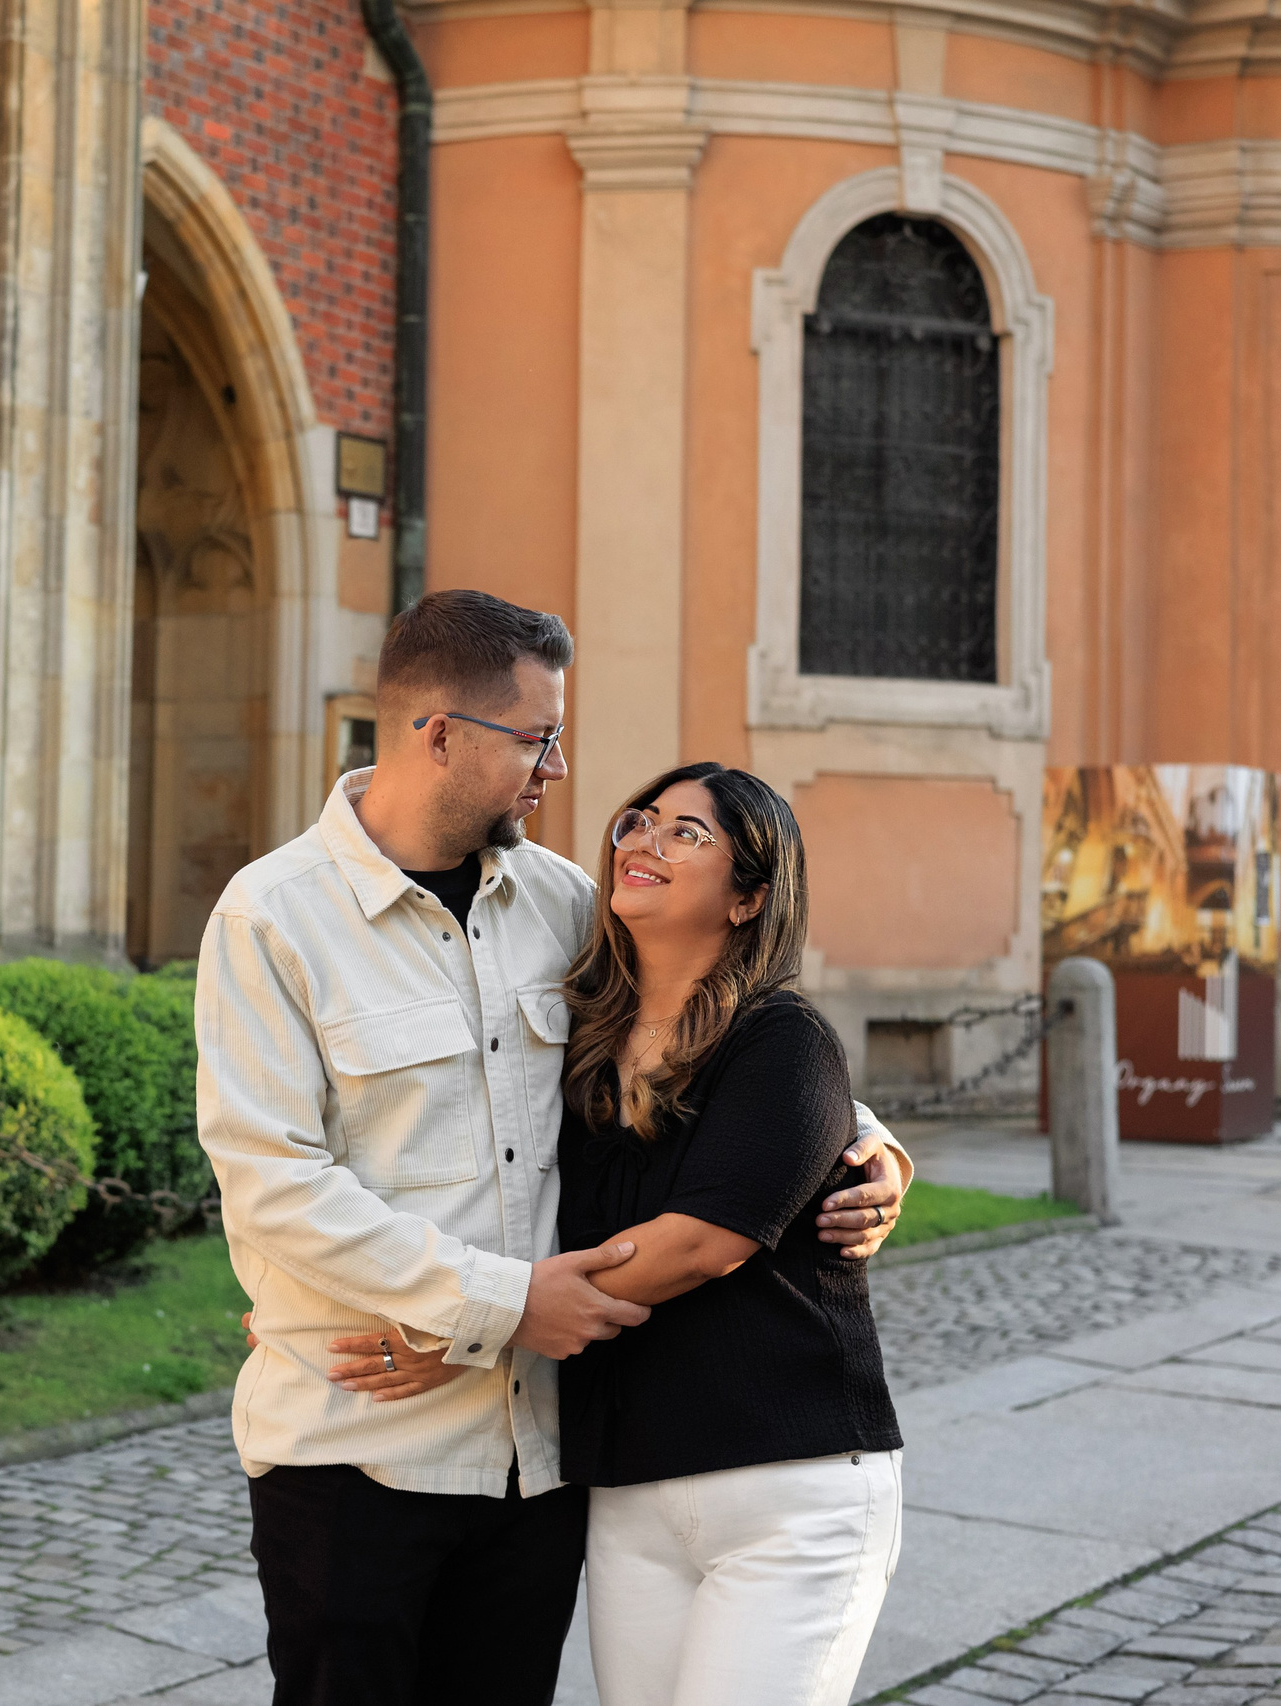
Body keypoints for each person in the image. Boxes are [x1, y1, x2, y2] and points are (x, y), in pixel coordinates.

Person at [193, 589, 913, 1706]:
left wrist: (864, 1146)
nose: (560, 768)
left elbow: (705, 1032)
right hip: (357, 1446)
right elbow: (273, 1186)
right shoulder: (273, 917)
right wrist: (501, 1303)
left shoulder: (561, 902)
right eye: (537, 738)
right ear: (441, 734)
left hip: (536, 1462)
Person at [560, 762, 903, 1706]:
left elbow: (704, 1242)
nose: (645, 840)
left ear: (749, 898)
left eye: (687, 832)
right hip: (629, 1485)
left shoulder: (783, 1037)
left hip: (789, 1489)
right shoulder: (576, 1038)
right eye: (640, 820)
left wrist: (494, 1316)